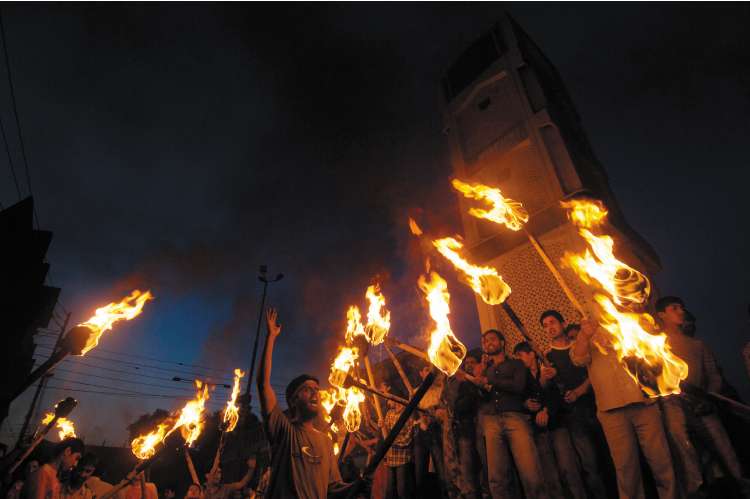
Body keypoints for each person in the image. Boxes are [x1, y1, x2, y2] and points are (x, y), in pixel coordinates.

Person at [571, 319, 677, 499]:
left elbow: (652, 353)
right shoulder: (586, 333)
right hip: (610, 409)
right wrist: (584, 336)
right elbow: (578, 359)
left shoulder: (629, 322)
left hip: (642, 402)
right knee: (626, 467)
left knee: (661, 460)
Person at [257, 307, 353, 498]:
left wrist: (358, 485)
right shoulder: (283, 430)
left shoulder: (326, 442)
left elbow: (334, 487)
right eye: (307, 389)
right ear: (293, 401)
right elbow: (262, 384)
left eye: (317, 390)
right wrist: (271, 338)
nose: (315, 393)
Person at [656, 296, 744, 489]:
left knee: (724, 449)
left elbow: (713, 375)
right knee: (685, 450)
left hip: (704, 404)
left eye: (682, 307)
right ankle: (699, 490)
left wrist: (709, 396)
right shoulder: (656, 345)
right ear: (662, 315)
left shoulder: (698, 345)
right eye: (674, 308)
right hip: (675, 406)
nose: (681, 311)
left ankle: (738, 485)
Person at [467, 329, 548, 499]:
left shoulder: (516, 364)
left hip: (515, 418)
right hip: (490, 422)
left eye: (491, 339)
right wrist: (478, 380)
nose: (487, 343)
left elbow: (518, 386)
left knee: (530, 472)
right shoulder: (485, 369)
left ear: (502, 343)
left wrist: (490, 380)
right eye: (484, 341)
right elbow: (481, 396)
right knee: (496, 478)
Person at [542, 311, 609, 499]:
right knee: (590, 465)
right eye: (545, 325)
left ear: (562, 323)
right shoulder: (546, 356)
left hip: (597, 407)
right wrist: (545, 377)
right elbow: (544, 387)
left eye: (552, 322)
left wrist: (579, 391)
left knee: (610, 457)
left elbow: (593, 372)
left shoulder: (581, 346)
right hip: (574, 417)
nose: (550, 327)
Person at [514, 341, 586, 499]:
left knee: (569, 470)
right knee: (550, 475)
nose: (519, 360)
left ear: (532, 354)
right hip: (538, 430)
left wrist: (547, 410)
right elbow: (520, 397)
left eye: (520, 355)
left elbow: (558, 394)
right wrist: (525, 403)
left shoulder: (549, 368)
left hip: (557, 425)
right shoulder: (521, 377)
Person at [414, 366, 447, 499]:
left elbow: (443, 409)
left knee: (440, 465)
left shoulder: (440, 390)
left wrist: (433, 412)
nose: (428, 373)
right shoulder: (416, 391)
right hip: (421, 432)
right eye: (425, 370)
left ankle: (445, 493)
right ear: (421, 373)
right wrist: (421, 418)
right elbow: (413, 414)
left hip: (436, 430)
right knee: (420, 469)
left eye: (430, 370)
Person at [382, 397, 417, 499]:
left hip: (402, 458)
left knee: (402, 490)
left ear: (395, 399)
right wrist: (382, 426)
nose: (388, 402)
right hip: (390, 457)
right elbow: (386, 435)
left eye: (389, 399)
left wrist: (391, 441)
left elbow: (407, 439)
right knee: (389, 490)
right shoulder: (389, 413)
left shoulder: (408, 414)